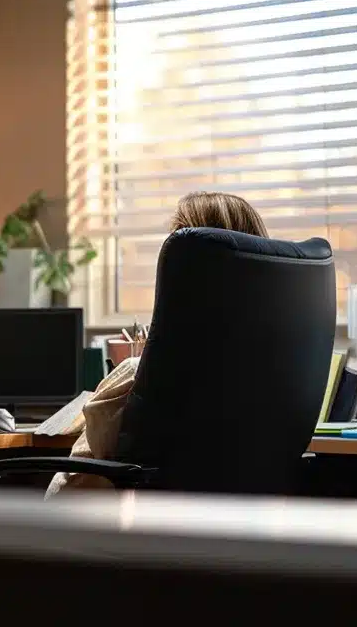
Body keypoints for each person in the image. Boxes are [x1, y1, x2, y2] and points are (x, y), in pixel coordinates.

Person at [46, 191, 268, 497]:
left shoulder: (141, 374)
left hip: (84, 527)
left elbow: (97, 452)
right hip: (221, 526)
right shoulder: (269, 370)